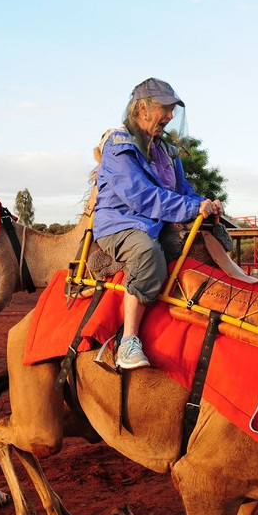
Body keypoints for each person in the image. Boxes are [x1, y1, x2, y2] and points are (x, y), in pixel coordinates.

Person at [94, 78, 223, 370]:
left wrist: (205, 202)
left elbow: (182, 190)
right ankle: (127, 342)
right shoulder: (119, 146)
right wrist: (190, 207)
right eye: (165, 109)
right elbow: (142, 196)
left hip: (155, 222)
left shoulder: (163, 149)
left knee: (201, 247)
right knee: (147, 254)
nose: (170, 116)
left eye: (172, 110)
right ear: (143, 108)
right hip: (121, 222)